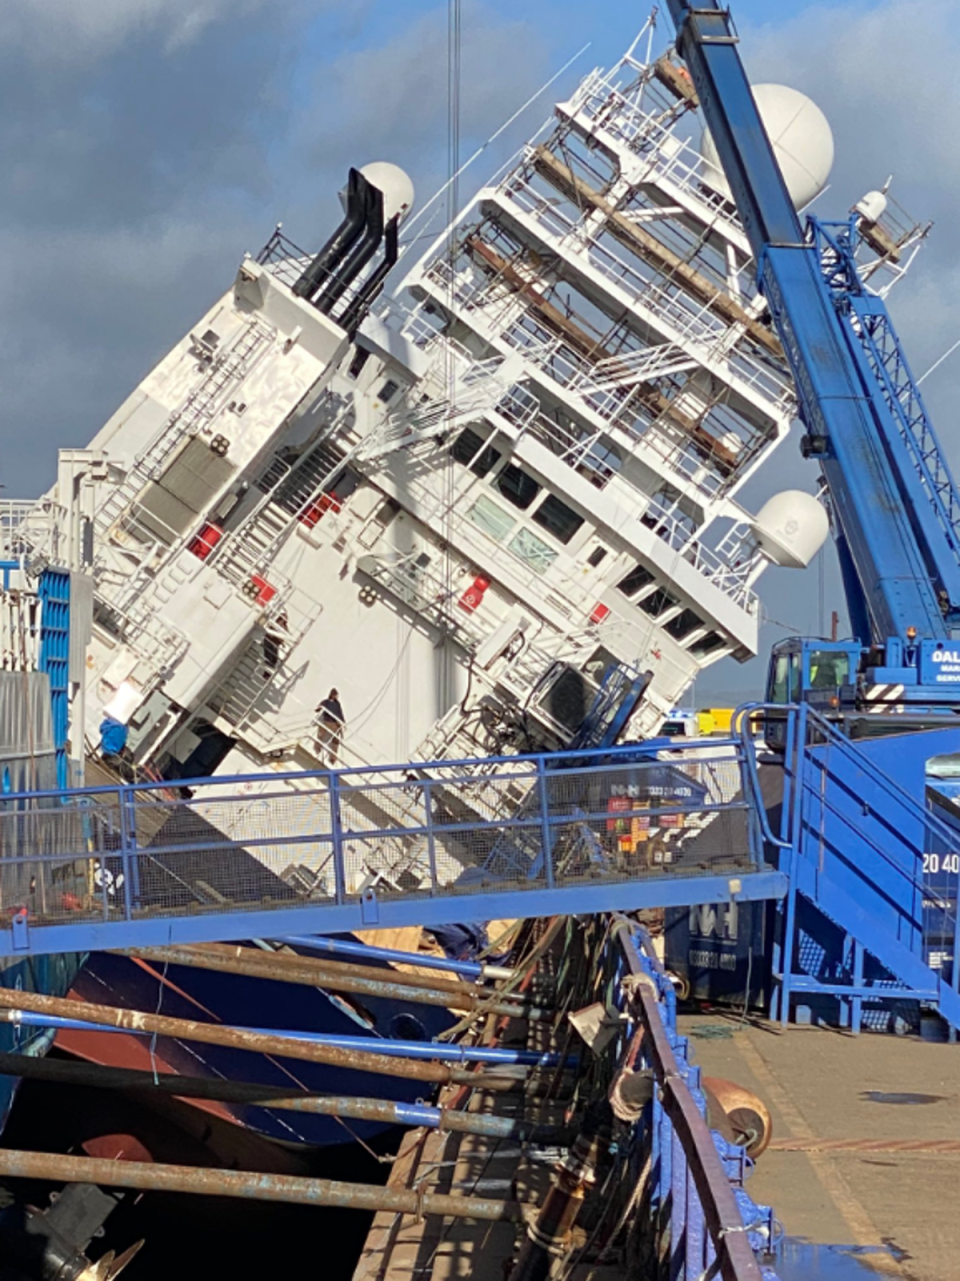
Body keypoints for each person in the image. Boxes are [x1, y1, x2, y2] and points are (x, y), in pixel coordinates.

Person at [315, 688, 345, 764]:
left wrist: (342, 722)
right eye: (335, 695)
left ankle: (333, 757)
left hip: (334, 724)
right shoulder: (326, 702)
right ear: (332, 695)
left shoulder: (337, 704)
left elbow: (339, 713)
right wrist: (319, 708)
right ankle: (317, 748)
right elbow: (319, 707)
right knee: (320, 734)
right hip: (327, 721)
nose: (336, 696)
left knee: (335, 740)